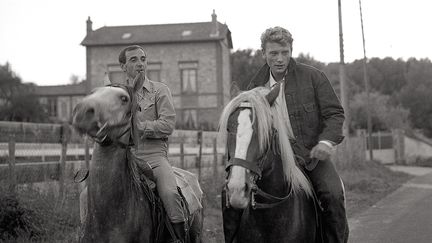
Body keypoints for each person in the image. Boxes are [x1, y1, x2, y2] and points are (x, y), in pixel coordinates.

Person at [247, 27, 349, 243]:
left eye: (285, 52)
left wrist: (326, 142)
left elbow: (335, 114)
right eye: (273, 53)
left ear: (291, 51)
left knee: (332, 195)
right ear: (263, 53)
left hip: (312, 157)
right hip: (273, 161)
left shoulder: (313, 77)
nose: (280, 59)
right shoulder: (255, 87)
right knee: (234, 198)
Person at [118, 45, 186, 243]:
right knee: (87, 194)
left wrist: (138, 126)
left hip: (154, 158)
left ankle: (179, 239)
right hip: (124, 159)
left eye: (143, 59)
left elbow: (168, 125)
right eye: (133, 60)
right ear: (123, 66)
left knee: (170, 194)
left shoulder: (159, 91)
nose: (140, 63)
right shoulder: (116, 94)